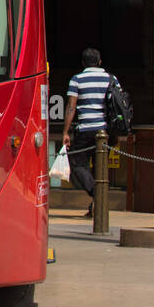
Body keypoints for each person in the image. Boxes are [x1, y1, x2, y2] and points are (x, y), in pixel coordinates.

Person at [61, 48, 120, 218]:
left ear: (83, 63)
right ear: (100, 62)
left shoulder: (77, 79)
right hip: (105, 131)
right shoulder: (111, 78)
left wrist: (66, 131)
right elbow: (117, 103)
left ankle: (97, 196)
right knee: (100, 169)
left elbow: (71, 106)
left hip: (85, 130)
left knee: (78, 164)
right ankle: (98, 202)